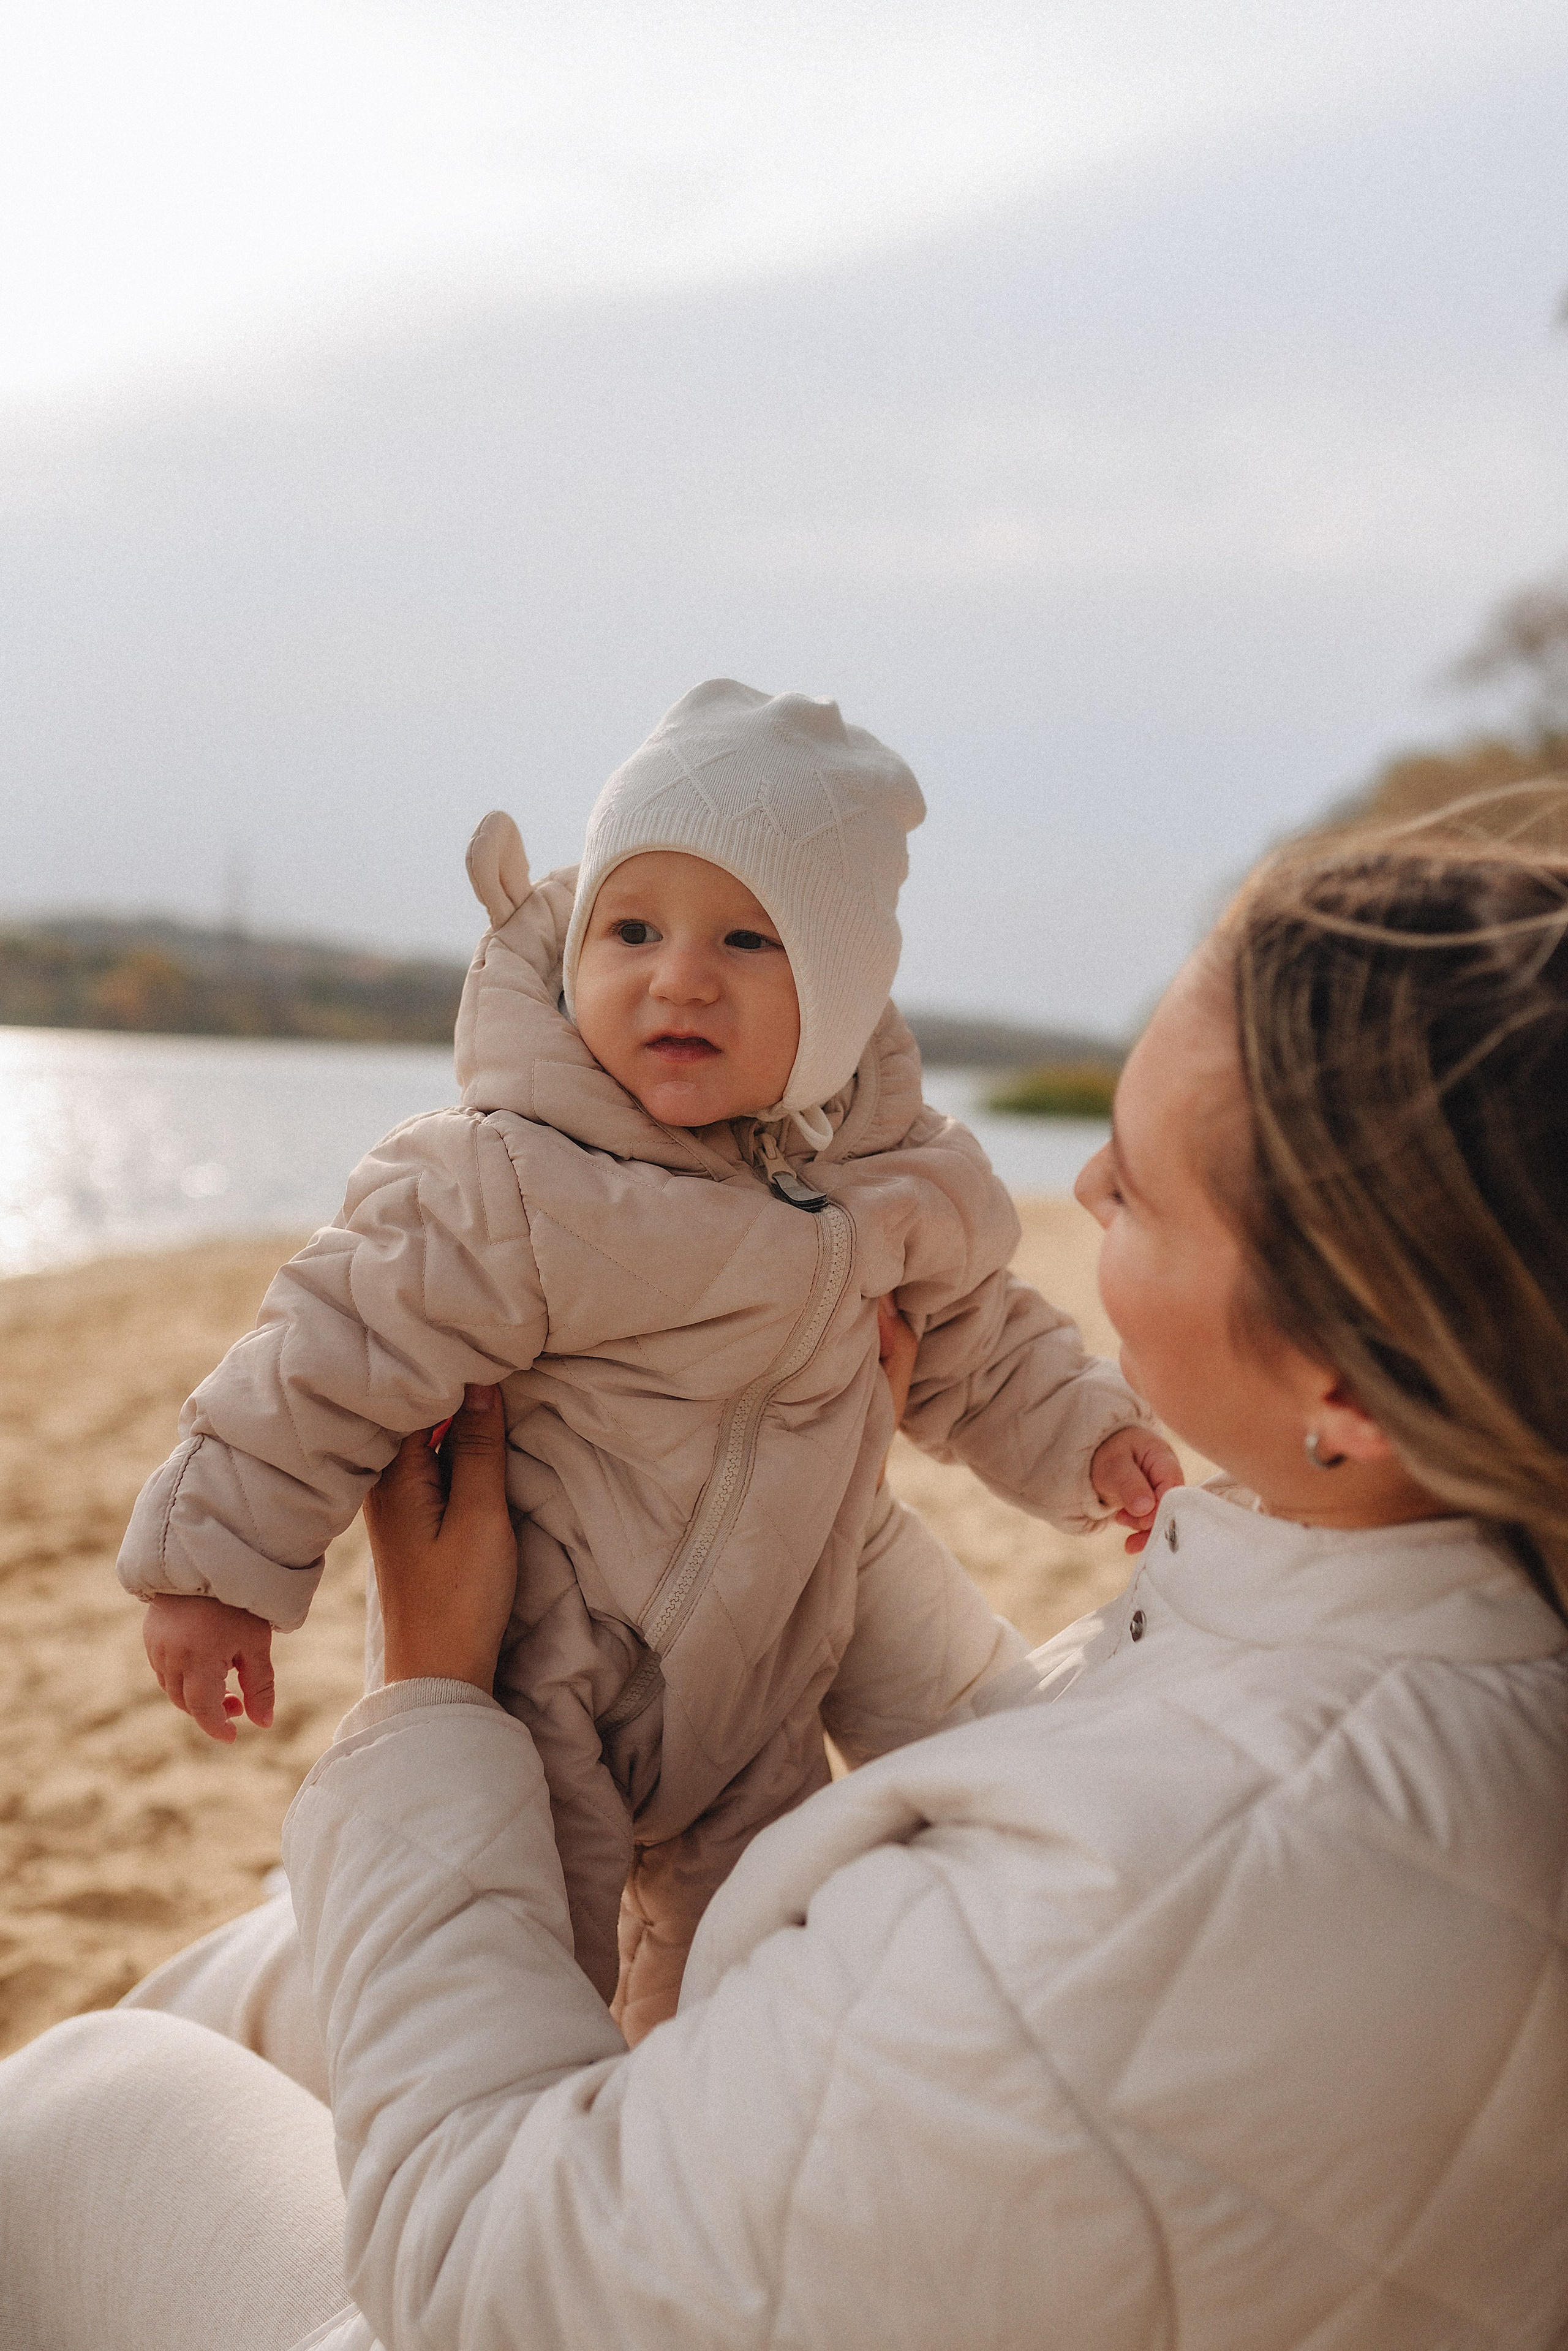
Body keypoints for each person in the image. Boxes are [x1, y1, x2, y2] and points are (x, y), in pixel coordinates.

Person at [5, 817, 1567, 2351]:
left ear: (1350, 1382)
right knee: (276, 1955)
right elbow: (1090, 1748)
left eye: (1142, 1188)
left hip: (524, 2283)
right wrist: (805, 1493)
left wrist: (427, 1686)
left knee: (81, 2102)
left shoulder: (1099, 1923)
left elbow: (493, 2281)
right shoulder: (1436, 1593)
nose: (1080, 1182)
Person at [115, 679, 1174, 2036]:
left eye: (748, 938)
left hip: (766, 1675)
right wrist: (216, 1568)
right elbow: (331, 1341)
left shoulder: (900, 1187)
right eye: (632, 927)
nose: (678, 973)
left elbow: (984, 1340)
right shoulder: (516, 1175)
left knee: (743, 1979)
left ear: (845, 995)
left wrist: (1090, 1439)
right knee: (529, 1980)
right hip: (537, 1660)